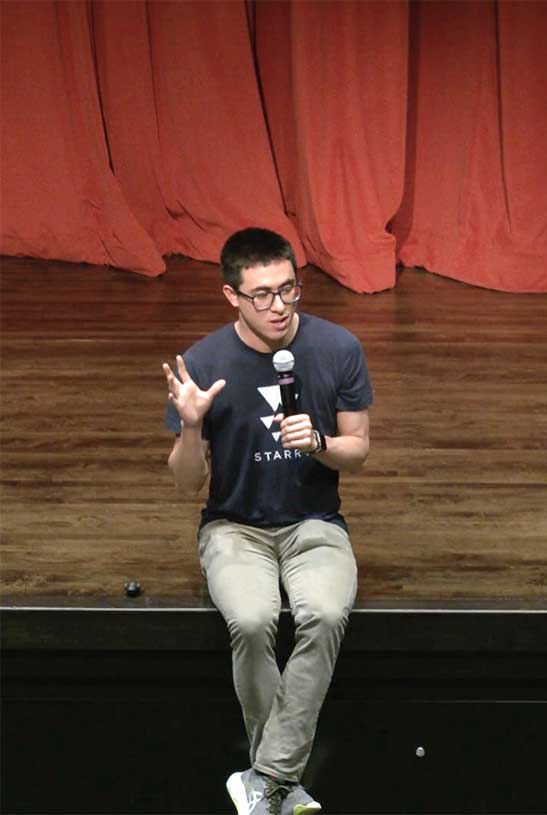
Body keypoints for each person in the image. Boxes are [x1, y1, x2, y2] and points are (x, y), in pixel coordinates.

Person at [162, 228, 372, 815]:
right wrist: (193, 426)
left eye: (288, 290)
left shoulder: (337, 347)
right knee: (252, 621)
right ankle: (281, 783)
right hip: (233, 526)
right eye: (261, 295)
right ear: (232, 296)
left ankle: (266, 777)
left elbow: (359, 450)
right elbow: (186, 484)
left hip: (315, 521)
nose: (278, 306)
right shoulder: (202, 362)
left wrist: (322, 441)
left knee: (325, 613)